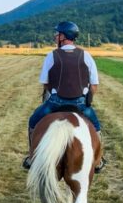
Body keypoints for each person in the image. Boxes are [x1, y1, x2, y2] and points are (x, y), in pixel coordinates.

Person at [23, 21, 105, 170]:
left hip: (55, 102)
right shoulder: (86, 55)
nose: (55, 37)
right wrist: (87, 98)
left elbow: (45, 82)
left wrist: (55, 93)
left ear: (63, 36)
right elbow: (94, 84)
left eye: (57, 34)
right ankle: (98, 160)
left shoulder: (52, 55)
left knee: (33, 121)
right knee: (96, 125)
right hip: (80, 103)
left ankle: (31, 156)